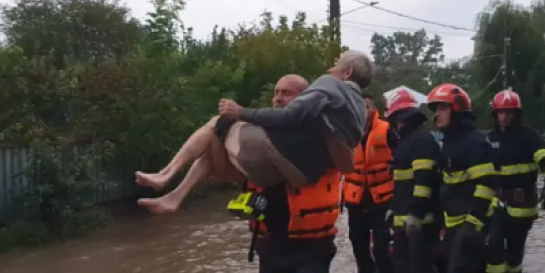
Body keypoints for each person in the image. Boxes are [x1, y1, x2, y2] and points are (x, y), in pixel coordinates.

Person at [134, 50, 372, 211]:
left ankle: (166, 174)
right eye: (276, 93)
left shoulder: (330, 84)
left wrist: (240, 111)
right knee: (213, 140)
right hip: (296, 178)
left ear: (347, 72)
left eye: (336, 65)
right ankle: (173, 196)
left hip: (277, 158)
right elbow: (345, 160)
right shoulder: (361, 108)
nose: (331, 69)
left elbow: (290, 116)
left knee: (220, 121)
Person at [428, 83, 497, 273]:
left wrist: (473, 224)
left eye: (442, 108)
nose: (436, 114)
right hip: (455, 222)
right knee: (460, 272)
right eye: (435, 108)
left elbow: (488, 184)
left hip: (471, 222)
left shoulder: (475, 143)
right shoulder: (450, 142)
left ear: (456, 109)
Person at [485, 89, 545, 273]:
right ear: (495, 114)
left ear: (517, 114)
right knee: (493, 242)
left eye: (509, 113)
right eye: (500, 112)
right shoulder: (489, 139)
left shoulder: (530, 138)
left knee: (515, 251)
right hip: (496, 203)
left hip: (523, 204)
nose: (504, 117)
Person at [385, 89, 444, 273]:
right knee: (404, 267)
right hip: (403, 218)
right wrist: (392, 207)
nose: (395, 125)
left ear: (404, 118)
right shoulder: (406, 143)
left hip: (421, 221)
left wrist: (416, 214)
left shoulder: (421, 141)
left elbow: (424, 181)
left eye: (396, 120)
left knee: (421, 268)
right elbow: (401, 184)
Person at [342, 92, 397, 273]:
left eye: (364, 106)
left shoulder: (387, 130)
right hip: (355, 201)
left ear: (372, 109)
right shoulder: (346, 134)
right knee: (359, 247)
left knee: (383, 248)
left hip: (381, 200)